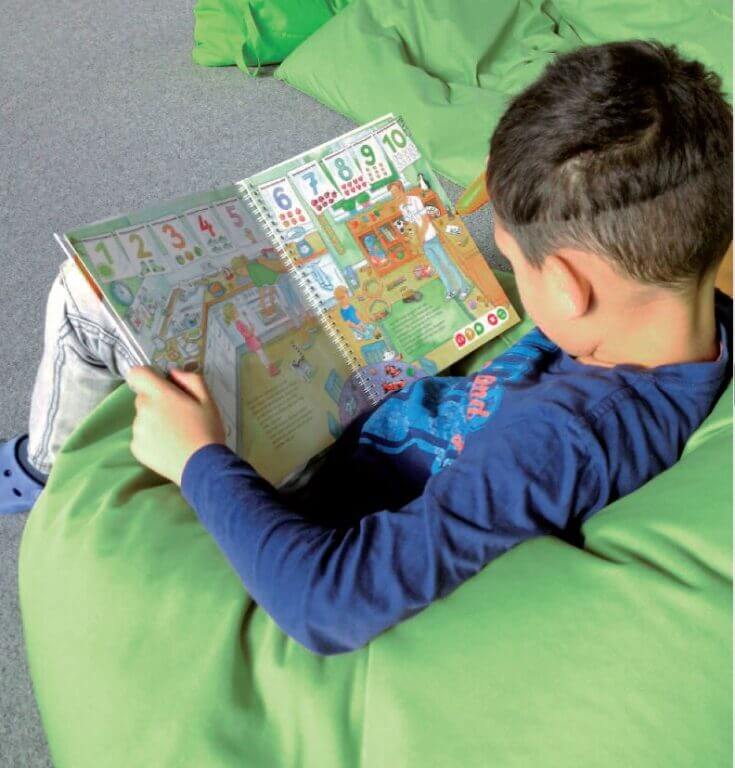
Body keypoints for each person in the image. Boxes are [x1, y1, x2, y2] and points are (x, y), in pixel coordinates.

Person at [1, 42, 732, 658]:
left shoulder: (560, 443)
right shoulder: (694, 315)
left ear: (569, 288)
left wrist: (199, 457)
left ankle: (45, 465)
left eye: (512, 257)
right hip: (395, 402)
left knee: (86, 299)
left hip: (317, 497)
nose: (507, 262)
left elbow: (329, 600)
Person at [390, 181, 471, 300]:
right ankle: (450, 289)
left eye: (396, 192)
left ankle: (464, 287)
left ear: (401, 190)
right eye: (392, 194)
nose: (395, 195)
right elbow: (412, 225)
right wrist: (415, 240)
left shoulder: (415, 200)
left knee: (447, 263)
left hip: (430, 237)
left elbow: (425, 220)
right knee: (438, 267)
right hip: (423, 243)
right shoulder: (402, 207)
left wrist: (421, 238)